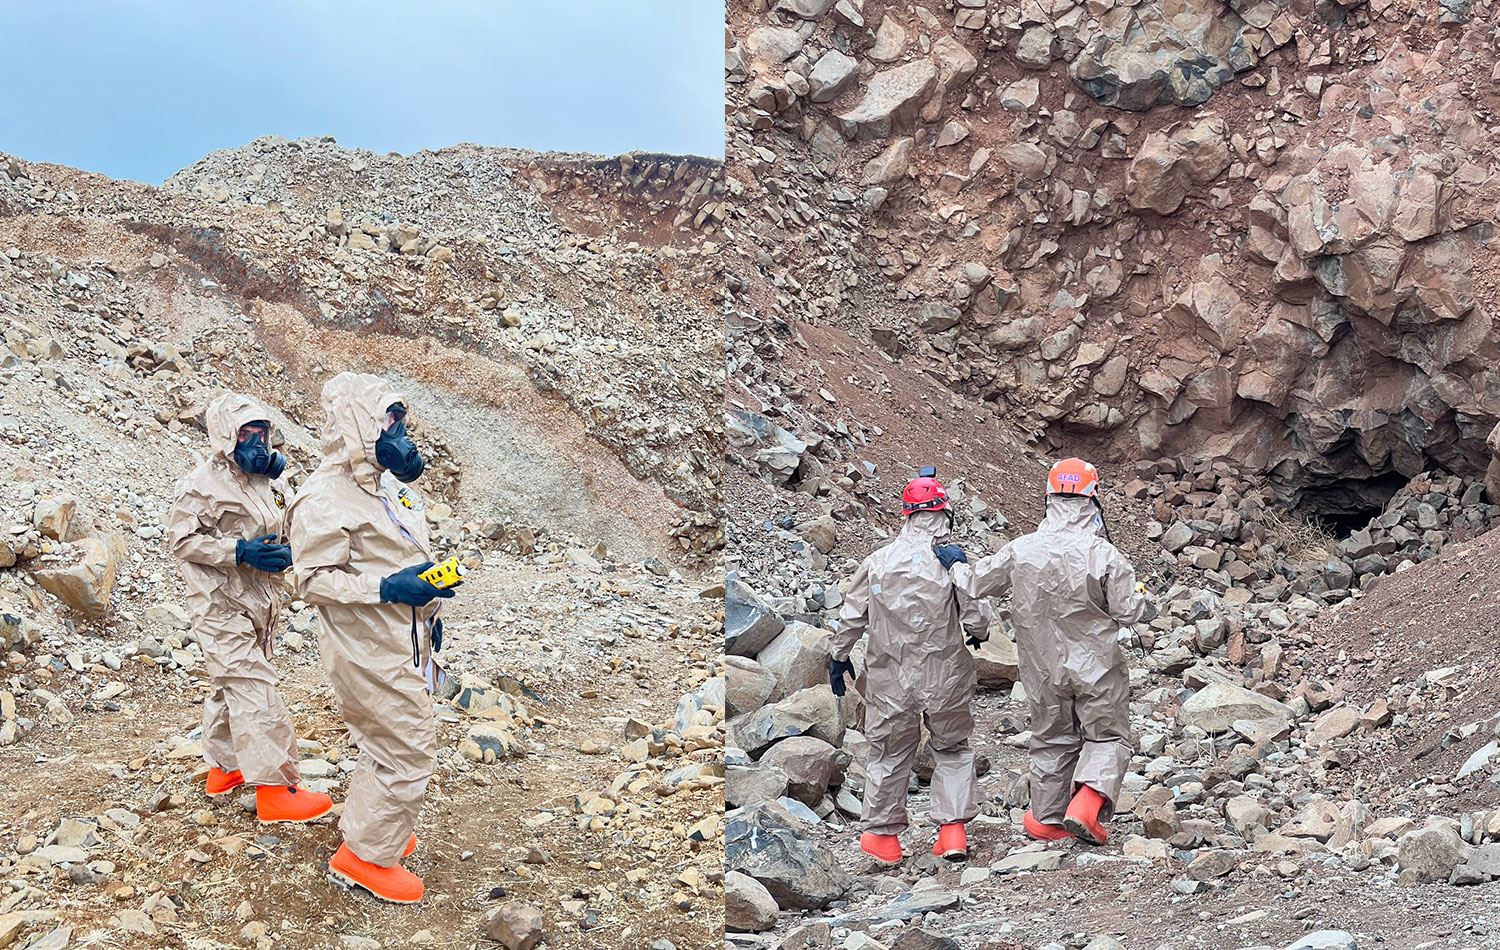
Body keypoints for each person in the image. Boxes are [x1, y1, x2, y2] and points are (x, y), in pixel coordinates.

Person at [286, 372, 454, 904]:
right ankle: (363, 858)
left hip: (401, 637)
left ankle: (374, 828)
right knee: (407, 746)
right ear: (359, 425)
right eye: (388, 421)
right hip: (364, 648)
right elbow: (309, 579)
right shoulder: (322, 498)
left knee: (384, 742)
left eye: (400, 421)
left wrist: (425, 605)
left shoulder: (382, 488)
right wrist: (386, 587)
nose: (398, 433)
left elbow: (401, 556)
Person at [951, 458, 1152, 845]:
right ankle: (1087, 802)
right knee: (1107, 735)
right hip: (1096, 665)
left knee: (1051, 737)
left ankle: (1046, 819)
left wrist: (957, 563)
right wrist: (1142, 594)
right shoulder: (1105, 555)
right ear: (1093, 498)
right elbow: (1129, 611)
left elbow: (975, 582)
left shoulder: (1021, 549)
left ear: (1048, 497)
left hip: (1041, 666)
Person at [167, 393, 335, 824]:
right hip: (220, 603)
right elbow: (181, 541)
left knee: (232, 683)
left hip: (261, 601)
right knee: (254, 684)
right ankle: (276, 789)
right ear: (226, 435)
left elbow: (294, 523)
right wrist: (237, 550)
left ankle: (224, 769)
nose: (258, 442)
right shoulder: (201, 485)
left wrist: (289, 553)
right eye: (247, 433)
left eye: (262, 432)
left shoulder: (272, 480)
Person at [827, 469, 991, 864]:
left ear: (906, 515)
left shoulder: (878, 562)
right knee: (951, 748)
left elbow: (851, 616)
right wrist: (975, 622)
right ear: (944, 515)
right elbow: (979, 618)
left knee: (888, 753)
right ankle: (952, 833)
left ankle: (883, 839)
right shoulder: (950, 561)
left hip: (890, 677)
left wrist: (837, 656)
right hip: (946, 674)